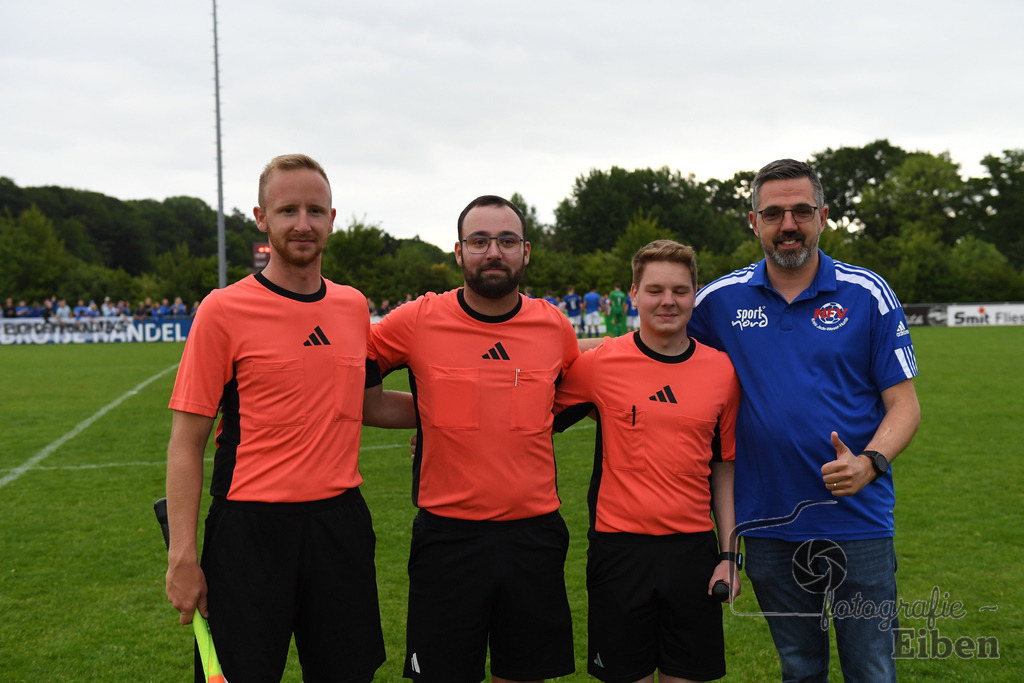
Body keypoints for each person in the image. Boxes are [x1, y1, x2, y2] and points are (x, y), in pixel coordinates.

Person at [164, 154, 414, 683]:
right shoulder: (223, 310)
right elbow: (186, 443)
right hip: (249, 533)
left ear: (332, 218)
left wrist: (450, 413)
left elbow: (369, 404)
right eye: (288, 210)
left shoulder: (352, 306)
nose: (303, 223)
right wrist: (183, 557)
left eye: (315, 211)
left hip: (339, 526)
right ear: (261, 218)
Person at [687, 159, 921, 682]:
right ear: (754, 222)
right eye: (773, 213)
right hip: (768, 526)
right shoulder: (719, 303)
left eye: (800, 211)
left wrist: (870, 462)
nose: (787, 224)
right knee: (800, 669)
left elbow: (904, 404)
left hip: (857, 523)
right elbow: (653, 350)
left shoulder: (867, 293)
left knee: (873, 670)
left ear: (823, 216)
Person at [369, 195, 579, 683]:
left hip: (534, 535)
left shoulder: (553, 326)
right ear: (459, 252)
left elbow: (561, 396)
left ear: (526, 251)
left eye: (507, 241)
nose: (494, 252)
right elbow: (358, 391)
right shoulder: (417, 321)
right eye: (479, 241)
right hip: (448, 539)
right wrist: (429, 416)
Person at [555, 240, 742, 683]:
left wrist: (730, 556)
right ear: (634, 294)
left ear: (694, 294)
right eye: (655, 290)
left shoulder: (723, 372)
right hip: (619, 552)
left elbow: (725, 468)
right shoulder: (599, 364)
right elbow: (532, 422)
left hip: (693, 552)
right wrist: (437, 441)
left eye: (680, 290)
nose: (668, 301)